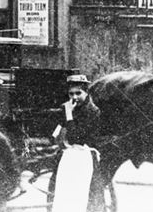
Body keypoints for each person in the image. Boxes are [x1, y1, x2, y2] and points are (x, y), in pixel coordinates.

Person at [51, 74, 105, 212]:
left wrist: (69, 115)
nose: (74, 97)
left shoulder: (93, 111)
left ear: (86, 92)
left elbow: (77, 137)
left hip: (86, 158)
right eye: (71, 94)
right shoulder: (70, 107)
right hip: (70, 155)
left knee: (87, 198)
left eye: (78, 93)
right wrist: (58, 131)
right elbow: (58, 129)